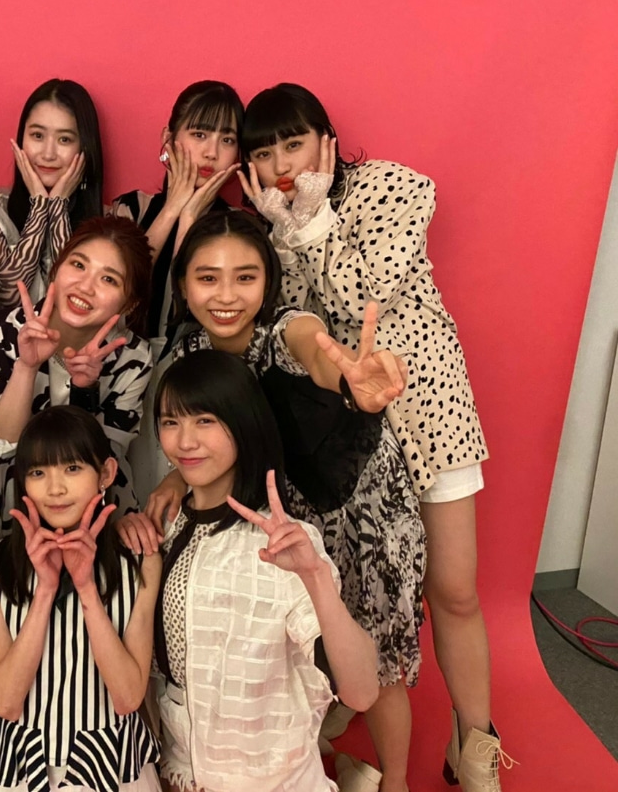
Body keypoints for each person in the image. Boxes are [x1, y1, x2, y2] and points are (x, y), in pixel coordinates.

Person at [239, 82, 509, 792]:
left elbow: (365, 295)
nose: (281, 166)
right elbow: (296, 328)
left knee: (453, 590)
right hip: (348, 438)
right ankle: (350, 707)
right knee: (359, 595)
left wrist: (311, 220)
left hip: (429, 411)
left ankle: (475, 744)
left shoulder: (393, 188)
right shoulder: (270, 227)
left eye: (293, 144)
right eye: (263, 153)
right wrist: (286, 228)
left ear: (326, 140)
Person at [164, 210, 424, 792]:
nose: (226, 296)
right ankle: (323, 760)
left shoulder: (286, 330)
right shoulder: (191, 352)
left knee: (374, 660)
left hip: (359, 510)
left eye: (245, 277)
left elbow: (315, 352)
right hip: (288, 516)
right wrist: (171, 482)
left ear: (269, 281)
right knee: (305, 649)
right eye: (207, 277)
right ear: (182, 284)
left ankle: (397, 782)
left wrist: (350, 380)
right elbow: (204, 437)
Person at [152, 350, 379, 792]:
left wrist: (315, 577)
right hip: (179, 768)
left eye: (205, 421)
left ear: (243, 424)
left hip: (272, 779)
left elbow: (361, 692)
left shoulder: (283, 545)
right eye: (170, 422)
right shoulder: (165, 524)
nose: (185, 441)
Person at [0, 406, 162, 792]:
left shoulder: (140, 561)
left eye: (73, 468)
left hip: (111, 768)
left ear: (105, 474)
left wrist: (87, 587)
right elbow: (6, 703)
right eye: (38, 473)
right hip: (20, 771)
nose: (55, 489)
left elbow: (128, 697)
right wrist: (45, 590)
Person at [108, 80, 243, 500]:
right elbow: (118, 289)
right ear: (169, 138)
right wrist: (173, 210)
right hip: (120, 371)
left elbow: (194, 310)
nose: (211, 152)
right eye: (199, 134)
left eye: (227, 140)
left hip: (195, 384)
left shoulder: (236, 226)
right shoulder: (131, 207)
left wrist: (190, 224)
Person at [0, 216, 153, 516]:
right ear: (56, 268)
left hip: (95, 514)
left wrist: (85, 391)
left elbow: (102, 465)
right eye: (78, 265)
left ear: (129, 304)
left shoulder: (132, 358)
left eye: (109, 279)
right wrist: (26, 367)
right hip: (12, 510)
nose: (85, 287)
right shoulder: (2, 331)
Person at [0, 79, 104, 312]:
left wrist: (58, 207)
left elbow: (69, 302)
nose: (48, 154)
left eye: (64, 139)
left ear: (85, 147)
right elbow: (10, 295)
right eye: (38, 136)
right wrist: (40, 206)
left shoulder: (109, 221)